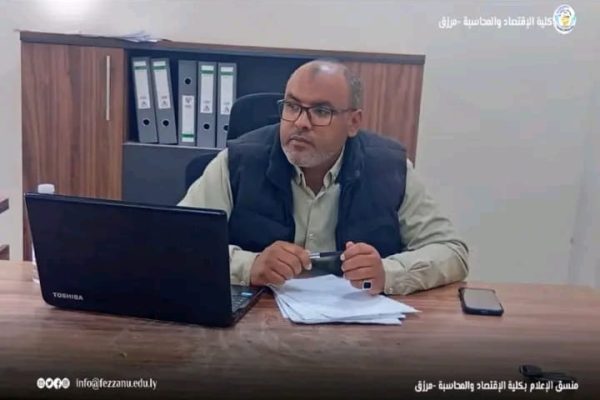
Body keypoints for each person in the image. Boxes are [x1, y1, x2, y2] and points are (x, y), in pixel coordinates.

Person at [179, 59, 468, 295]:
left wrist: (388, 273)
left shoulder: (389, 168)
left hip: (358, 328)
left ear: (353, 122)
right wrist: (249, 265)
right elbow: (178, 243)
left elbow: (451, 251)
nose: (300, 123)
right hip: (255, 322)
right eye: (292, 106)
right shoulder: (237, 162)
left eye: (320, 111)